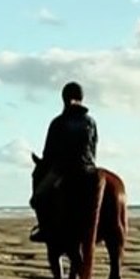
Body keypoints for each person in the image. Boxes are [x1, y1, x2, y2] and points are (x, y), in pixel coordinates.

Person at [30, 81, 98, 242]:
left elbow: (48, 154)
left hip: (63, 169)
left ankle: (44, 229)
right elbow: (93, 148)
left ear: (64, 99)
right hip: (88, 167)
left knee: (38, 198)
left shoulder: (58, 122)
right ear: (82, 98)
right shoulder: (91, 122)